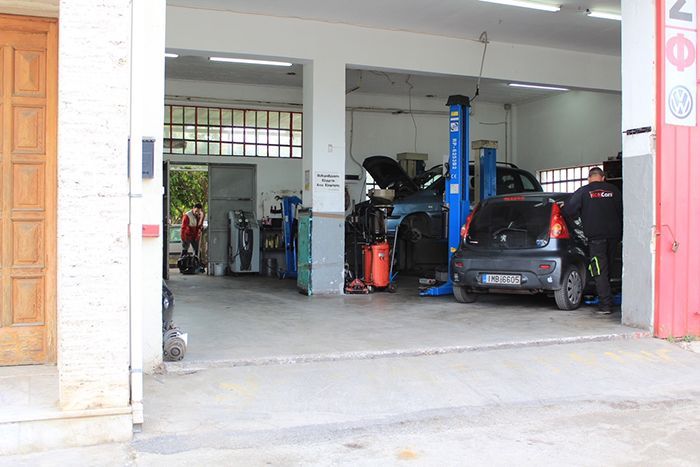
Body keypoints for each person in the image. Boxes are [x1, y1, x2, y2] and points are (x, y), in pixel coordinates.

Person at [564, 167, 622, 314]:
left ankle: (605, 305)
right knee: (609, 268)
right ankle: (607, 298)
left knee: (599, 270)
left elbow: (569, 210)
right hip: (614, 236)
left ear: (589, 178)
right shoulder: (614, 190)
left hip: (596, 238)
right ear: (603, 178)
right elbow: (622, 211)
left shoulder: (584, 191)